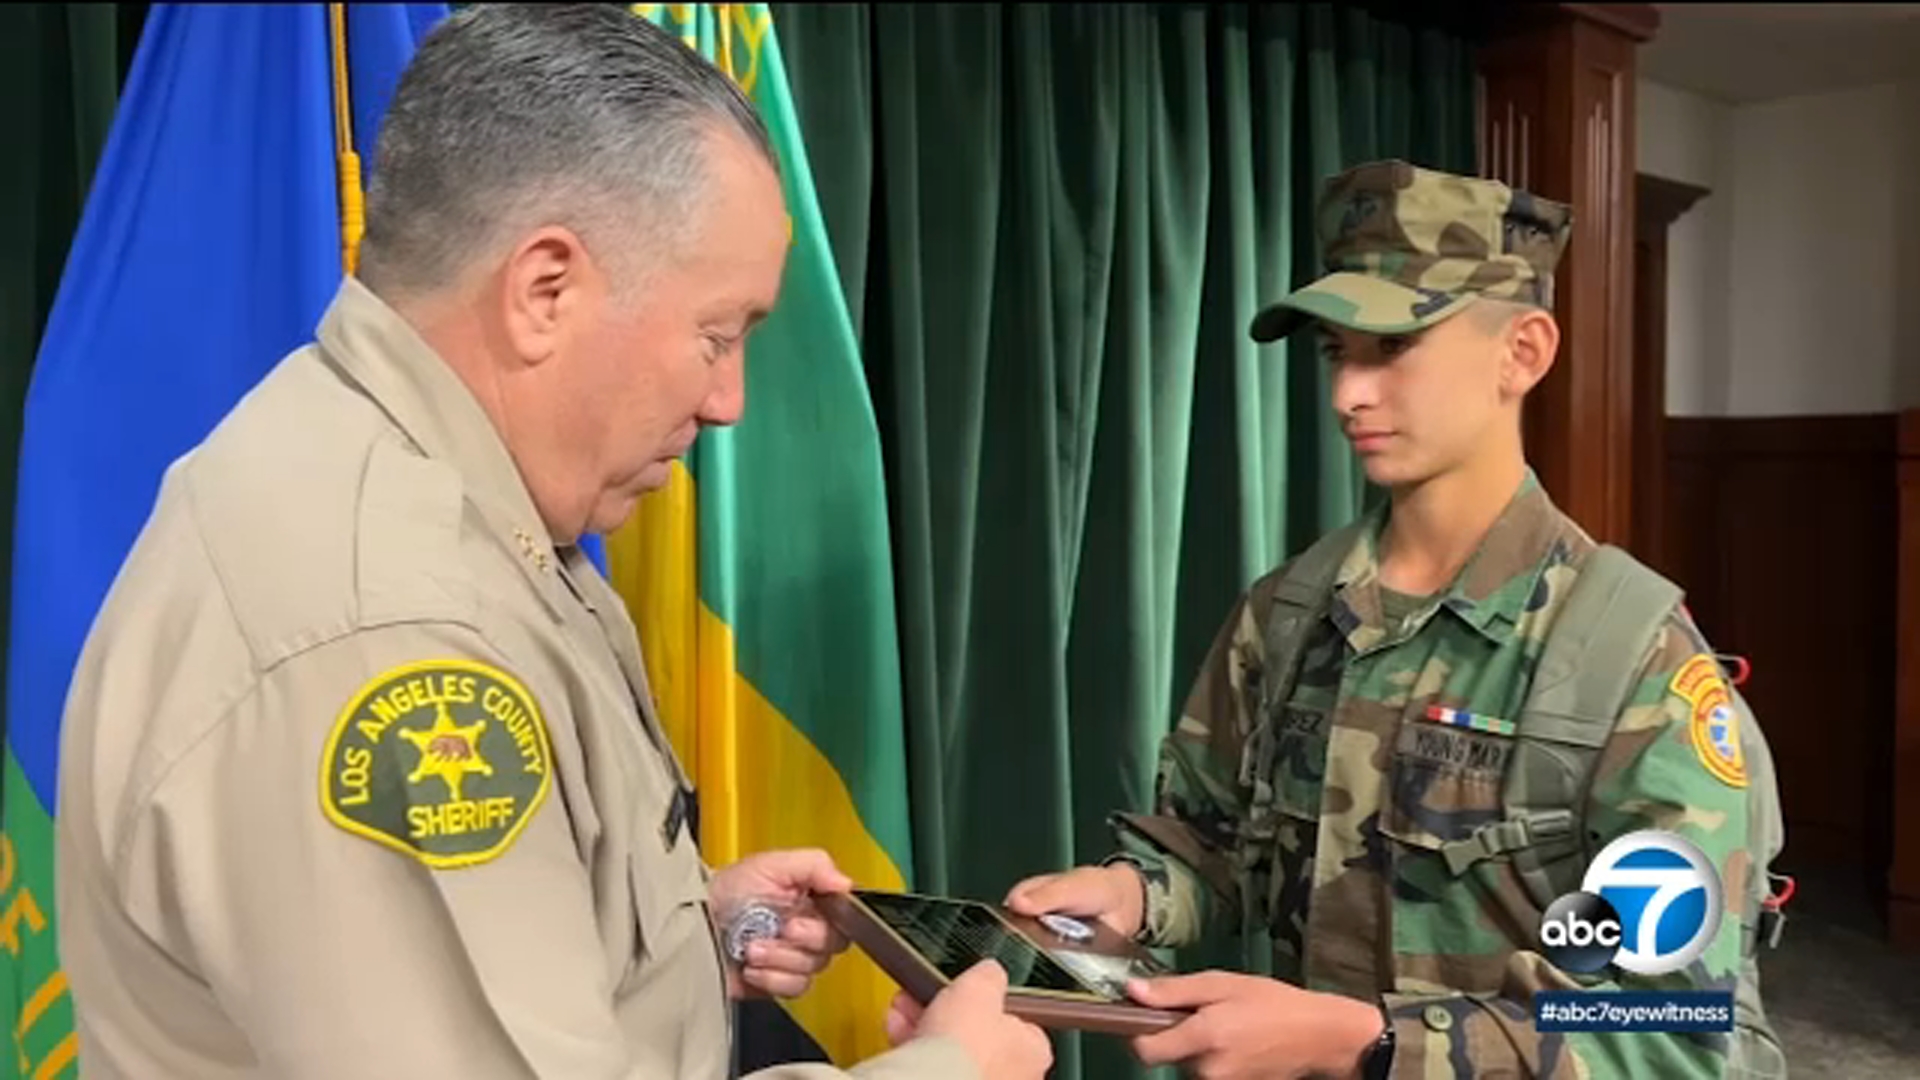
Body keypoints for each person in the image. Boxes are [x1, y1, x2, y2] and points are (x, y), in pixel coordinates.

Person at [54, 6, 1050, 1079]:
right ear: (544, 291)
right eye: (716, 335)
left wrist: (679, 942)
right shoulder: (392, 630)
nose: (729, 402)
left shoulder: (418, 484)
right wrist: (948, 1071)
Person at [1005, 160, 1789, 1078]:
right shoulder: (1290, 611)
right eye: (1338, 352)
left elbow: (1679, 1031)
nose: (1348, 394)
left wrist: (1368, 1045)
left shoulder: (1633, 657)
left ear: (1524, 352)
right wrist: (1133, 895)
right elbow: (1219, 844)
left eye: (1393, 348)